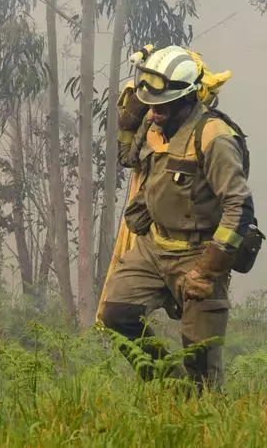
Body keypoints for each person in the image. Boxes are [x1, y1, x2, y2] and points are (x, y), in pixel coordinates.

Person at [102, 45, 255, 392]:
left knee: (202, 365)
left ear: (186, 100)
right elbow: (128, 157)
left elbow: (240, 207)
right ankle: (172, 388)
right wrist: (128, 120)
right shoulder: (154, 122)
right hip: (154, 247)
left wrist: (207, 270)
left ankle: (200, 402)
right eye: (150, 105)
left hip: (198, 254)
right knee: (116, 315)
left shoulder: (214, 137)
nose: (153, 112)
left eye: (162, 106)